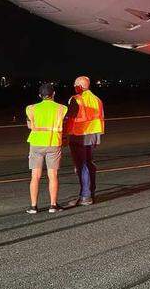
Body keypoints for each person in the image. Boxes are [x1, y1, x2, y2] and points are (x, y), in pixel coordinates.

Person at [25, 83, 67, 214]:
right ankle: (53, 205)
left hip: (36, 143)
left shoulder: (30, 108)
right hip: (54, 142)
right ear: (53, 94)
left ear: (40, 95)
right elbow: (64, 125)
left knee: (35, 176)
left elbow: (29, 125)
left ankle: (33, 206)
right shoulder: (62, 108)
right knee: (53, 175)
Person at [65, 75, 105, 206]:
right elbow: (100, 118)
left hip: (79, 134)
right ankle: (89, 193)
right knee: (89, 163)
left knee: (81, 165)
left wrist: (65, 136)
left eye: (75, 85)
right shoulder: (97, 99)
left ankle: (86, 196)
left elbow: (69, 119)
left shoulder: (76, 99)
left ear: (79, 86)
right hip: (92, 134)